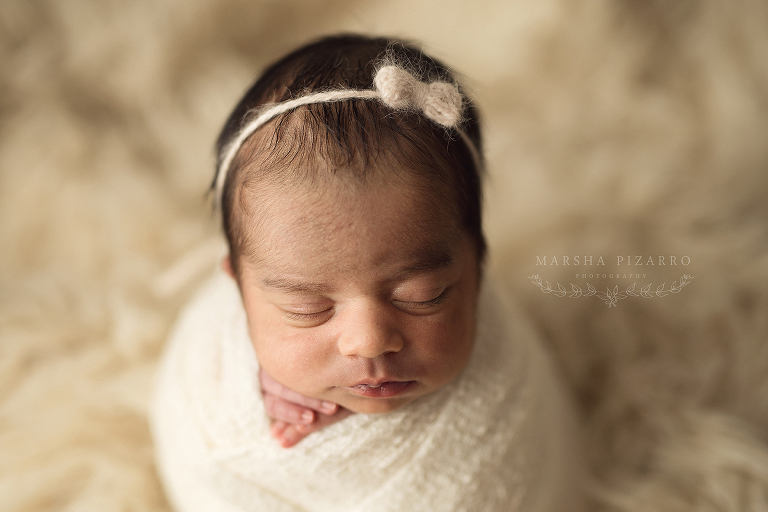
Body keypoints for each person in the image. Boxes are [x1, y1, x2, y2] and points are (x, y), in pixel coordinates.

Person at [151, 34, 585, 512]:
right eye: (307, 307)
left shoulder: (501, 416)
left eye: (423, 295)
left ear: (477, 266)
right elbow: (198, 440)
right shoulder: (219, 371)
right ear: (237, 287)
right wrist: (249, 393)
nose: (370, 340)